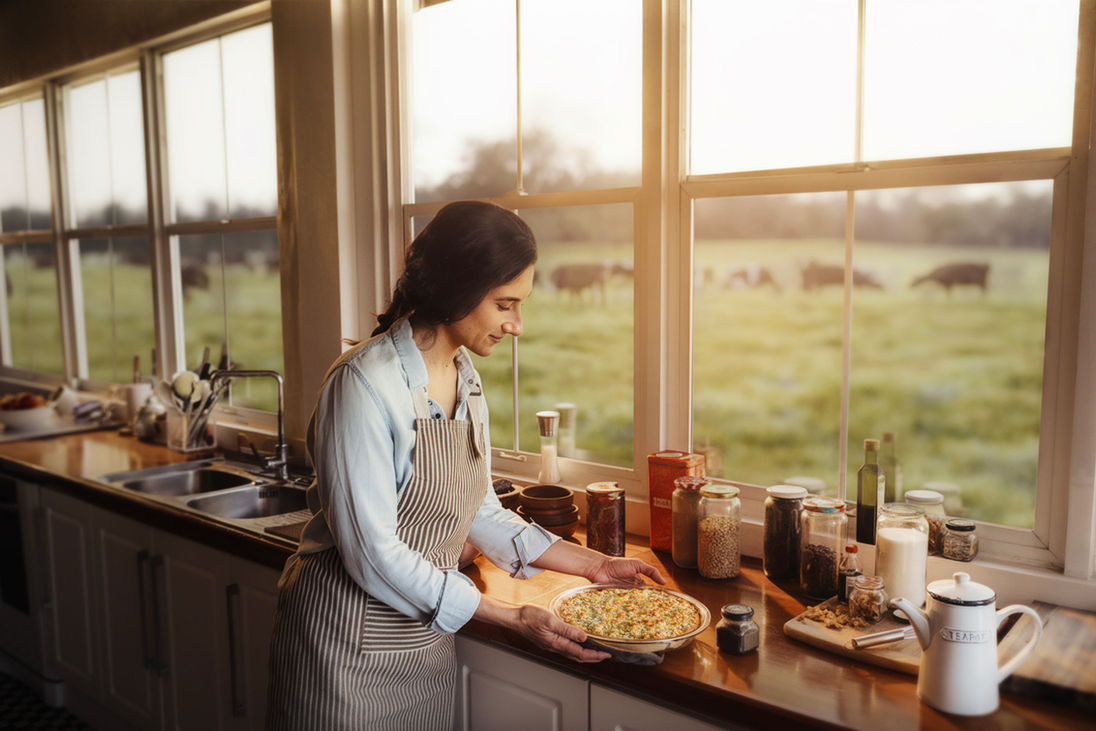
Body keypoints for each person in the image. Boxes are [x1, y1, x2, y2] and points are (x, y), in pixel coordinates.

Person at [266, 200, 664, 730]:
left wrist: (594, 566)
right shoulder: (362, 385)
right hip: (343, 650)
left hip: (424, 647)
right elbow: (371, 554)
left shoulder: (465, 379)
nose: (517, 325)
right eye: (506, 304)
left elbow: (479, 509)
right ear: (458, 288)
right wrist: (507, 616)